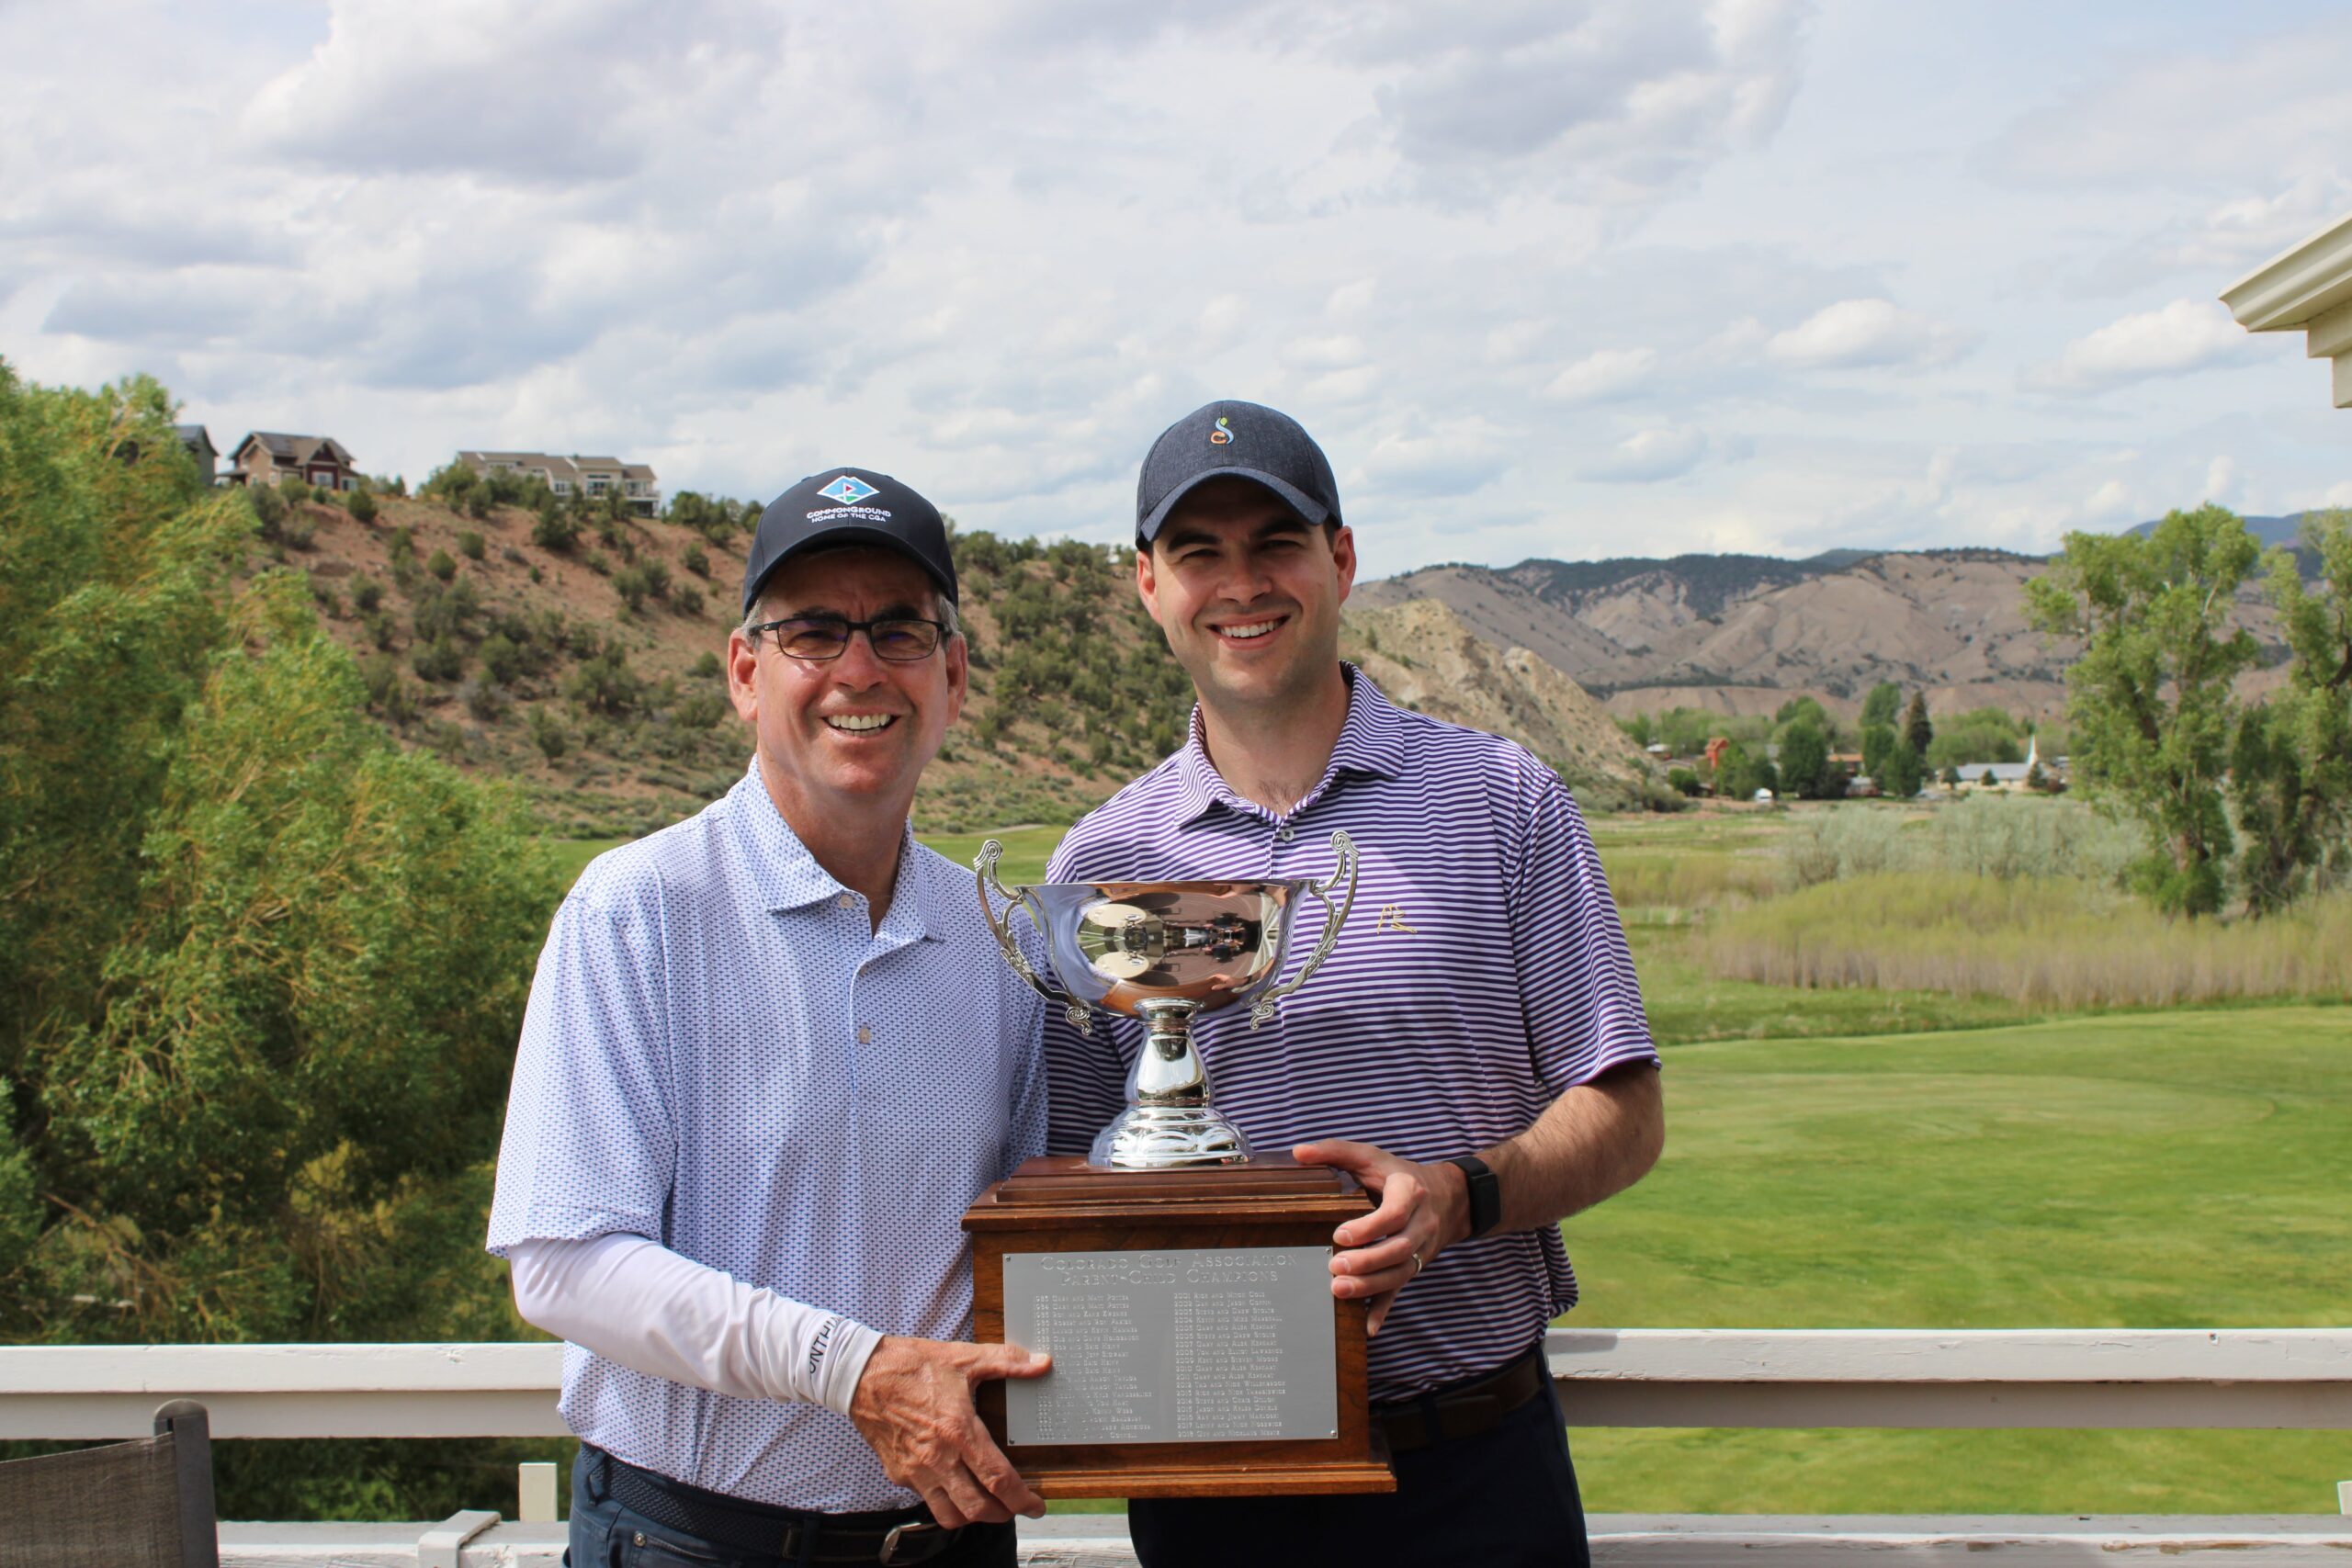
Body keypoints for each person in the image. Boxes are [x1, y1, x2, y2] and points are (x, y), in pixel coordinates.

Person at [1042, 401, 1666, 1567]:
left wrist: (1460, 1197)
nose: (1240, 584)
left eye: (1274, 542)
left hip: (1475, 1466)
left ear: (1339, 558)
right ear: (1146, 585)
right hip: (1211, 1480)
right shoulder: (1098, 868)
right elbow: (1077, 1174)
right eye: (1197, 554)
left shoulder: (1502, 801)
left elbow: (1625, 1114)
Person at [488, 468, 1052, 1568]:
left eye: (899, 629)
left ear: (952, 675)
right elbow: (561, 1261)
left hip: (948, 1541)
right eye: (813, 632)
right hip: (691, 1542)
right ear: (747, 674)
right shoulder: (637, 911)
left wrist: (1283, 1305)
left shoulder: (1000, 936)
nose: (858, 668)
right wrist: (853, 1372)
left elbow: (1032, 1242)